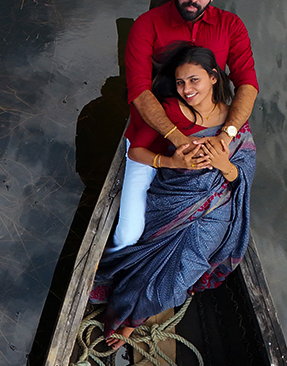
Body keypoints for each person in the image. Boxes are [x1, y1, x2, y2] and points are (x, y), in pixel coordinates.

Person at [90, 44, 256, 349]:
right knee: (141, 250)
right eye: (180, 82)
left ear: (214, 78)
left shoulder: (234, 124)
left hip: (217, 211)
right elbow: (138, 151)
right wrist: (173, 161)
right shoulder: (169, 112)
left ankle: (133, 317)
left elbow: (242, 177)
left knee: (177, 281)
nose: (187, 89)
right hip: (172, 199)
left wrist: (224, 165)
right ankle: (127, 310)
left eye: (195, 80)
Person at [111, 0, 259, 251]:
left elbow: (247, 83)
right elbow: (139, 91)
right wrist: (177, 140)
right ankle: (116, 264)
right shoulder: (147, 24)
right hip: (153, 134)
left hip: (211, 132)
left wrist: (225, 136)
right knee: (128, 236)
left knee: (212, 223)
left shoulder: (231, 26)